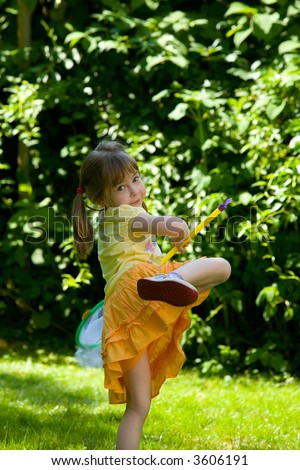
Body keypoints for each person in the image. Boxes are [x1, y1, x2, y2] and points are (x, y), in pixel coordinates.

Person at [72, 139, 231, 450]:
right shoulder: (123, 215)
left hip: (123, 307)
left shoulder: (107, 218)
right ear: (100, 197)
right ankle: (173, 279)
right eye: (121, 187)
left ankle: (124, 461)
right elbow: (162, 224)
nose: (133, 191)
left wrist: (170, 238)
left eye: (136, 179)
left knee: (138, 407)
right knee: (221, 266)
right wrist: (179, 229)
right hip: (139, 286)